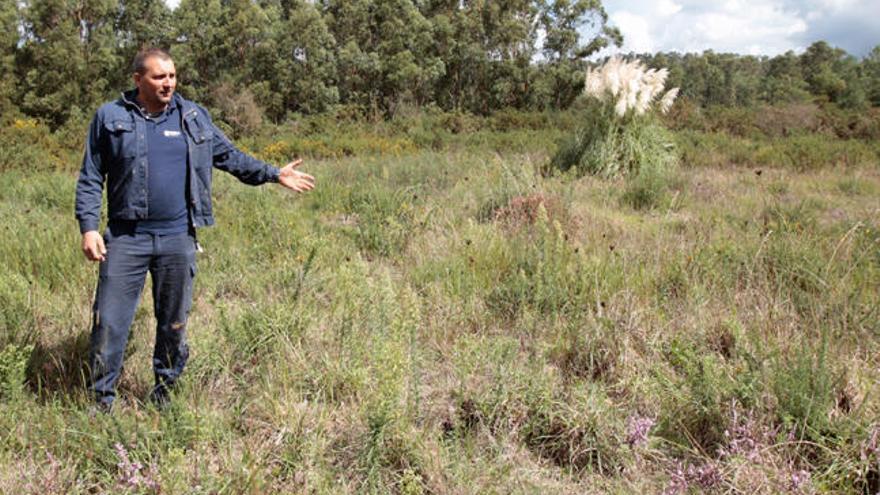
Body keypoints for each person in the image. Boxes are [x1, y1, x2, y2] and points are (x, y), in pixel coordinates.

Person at [75, 47, 315, 411]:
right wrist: (89, 227)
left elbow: (230, 157)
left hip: (178, 238)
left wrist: (273, 173)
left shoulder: (193, 117)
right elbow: (91, 176)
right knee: (109, 322)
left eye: (172, 76)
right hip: (126, 239)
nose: (168, 83)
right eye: (159, 77)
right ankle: (100, 403)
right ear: (138, 79)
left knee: (173, 324)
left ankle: (165, 398)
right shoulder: (110, 118)